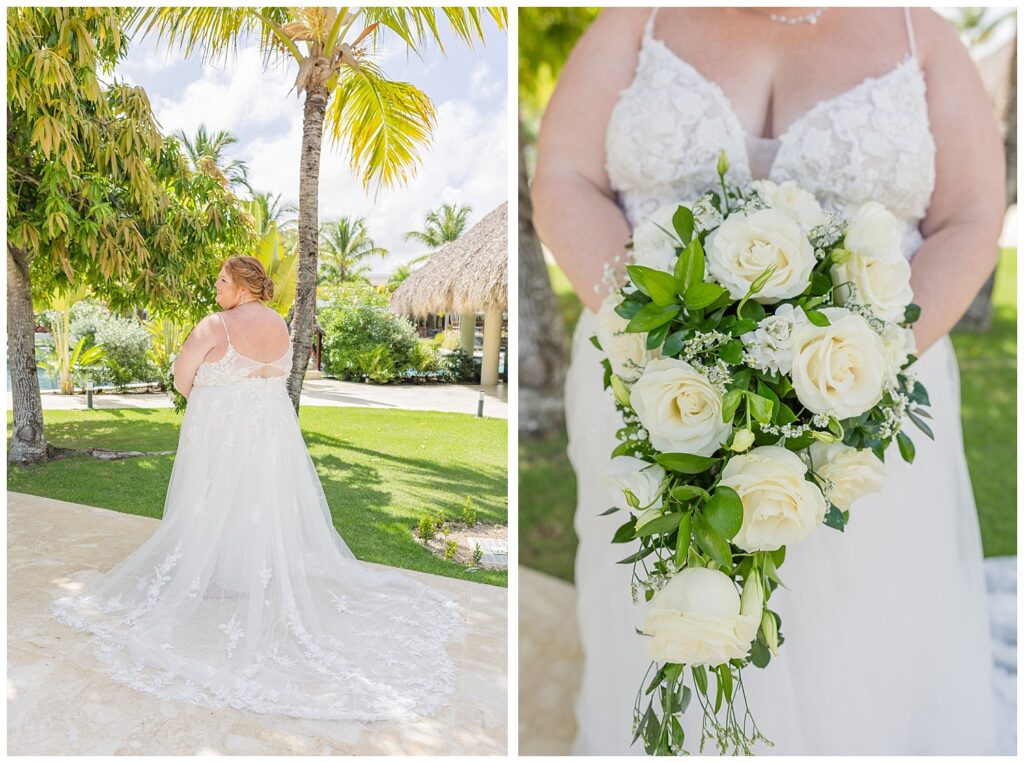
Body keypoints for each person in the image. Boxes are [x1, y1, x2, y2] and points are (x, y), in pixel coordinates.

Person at [531, 7, 1004, 755]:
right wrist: (658, 332)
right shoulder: (637, 19)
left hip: (863, 388)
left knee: (858, 617)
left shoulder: (924, 35)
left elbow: (973, 215)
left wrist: (869, 358)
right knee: (665, 595)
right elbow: (563, 179)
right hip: (652, 385)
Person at [52, 255, 464, 721]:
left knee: (213, 497)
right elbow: (277, 377)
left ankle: (213, 573)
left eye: (222, 280)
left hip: (223, 428)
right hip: (270, 429)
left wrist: (215, 403)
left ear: (243, 286)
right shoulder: (281, 326)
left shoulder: (215, 326)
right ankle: (240, 572)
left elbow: (182, 378)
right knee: (256, 498)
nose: (215, 286)